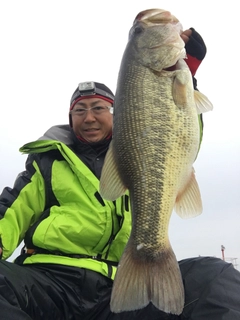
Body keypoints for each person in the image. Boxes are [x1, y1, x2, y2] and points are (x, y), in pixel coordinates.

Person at [0, 28, 239, 320]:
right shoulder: (46, 163)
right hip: (46, 284)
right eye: (80, 111)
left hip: (117, 289)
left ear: (117, 113)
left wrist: (185, 76)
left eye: (98, 108)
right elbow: (11, 210)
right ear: (70, 118)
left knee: (214, 279)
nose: (89, 117)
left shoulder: (144, 150)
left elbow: (179, 140)